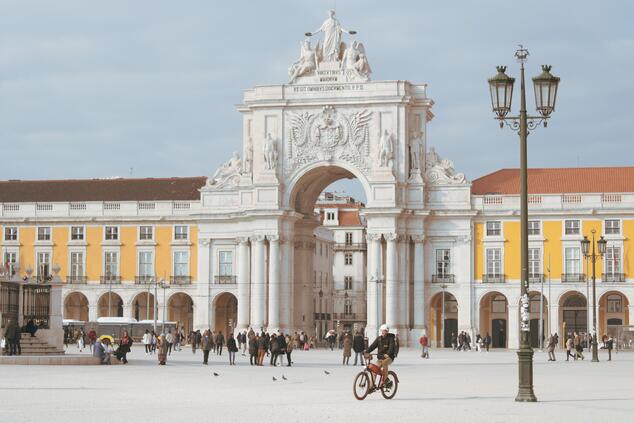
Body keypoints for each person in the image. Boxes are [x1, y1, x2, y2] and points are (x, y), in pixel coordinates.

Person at [364, 324, 395, 389]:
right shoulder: (379, 339)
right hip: (380, 357)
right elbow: (372, 346)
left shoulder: (391, 338)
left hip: (389, 357)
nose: (383, 332)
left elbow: (391, 347)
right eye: (382, 331)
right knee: (374, 370)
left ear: (387, 331)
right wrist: (366, 351)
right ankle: (371, 387)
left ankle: (385, 380)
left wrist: (388, 354)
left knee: (384, 363)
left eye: (385, 331)